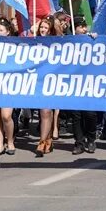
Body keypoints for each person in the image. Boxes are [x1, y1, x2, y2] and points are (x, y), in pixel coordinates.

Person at [34, 16, 60, 156]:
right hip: (39, 81)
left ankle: (42, 141)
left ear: (50, 30)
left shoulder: (57, 42)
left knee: (47, 111)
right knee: (44, 112)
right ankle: (47, 139)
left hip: (53, 80)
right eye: (41, 27)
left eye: (46, 28)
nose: (43, 30)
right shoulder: (34, 41)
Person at [0, 17, 17, 155]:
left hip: (8, 83)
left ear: (8, 32)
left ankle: (10, 141)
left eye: (1, 30)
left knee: (6, 116)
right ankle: (0, 143)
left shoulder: (14, 45)